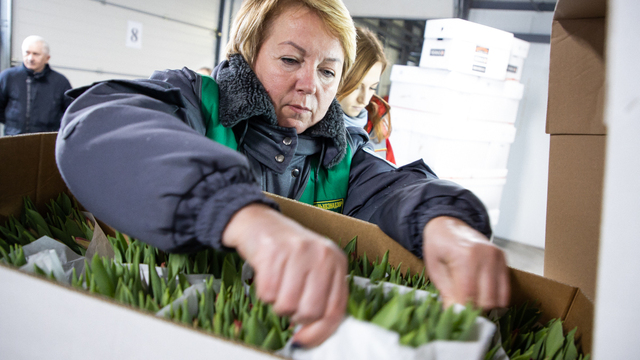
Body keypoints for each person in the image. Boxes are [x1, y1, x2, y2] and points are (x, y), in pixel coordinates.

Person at [55, 0, 509, 348]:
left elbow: (396, 189)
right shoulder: (195, 101)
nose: (311, 85)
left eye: (328, 71)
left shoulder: (343, 153)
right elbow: (95, 122)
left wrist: (444, 219)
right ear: (247, 54)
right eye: (290, 60)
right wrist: (242, 216)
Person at [338, 26, 395, 163]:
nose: (364, 100)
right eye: (357, 86)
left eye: (372, 88)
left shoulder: (378, 132)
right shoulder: (305, 129)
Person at [0, 35, 72, 135]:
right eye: (27, 53)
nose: (30, 58)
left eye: (36, 54)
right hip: (13, 138)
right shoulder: (8, 77)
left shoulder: (60, 81)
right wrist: (13, 124)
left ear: (47, 58)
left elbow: (70, 111)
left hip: (46, 141)